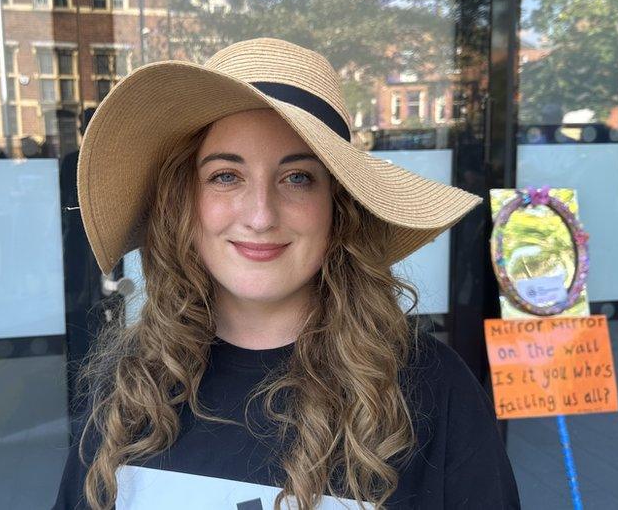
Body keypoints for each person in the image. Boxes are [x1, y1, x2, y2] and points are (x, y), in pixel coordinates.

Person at [54, 37, 520, 509]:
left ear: (338, 208)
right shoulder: (134, 382)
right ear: (184, 203)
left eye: (297, 178)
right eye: (225, 176)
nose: (260, 216)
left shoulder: (432, 391)